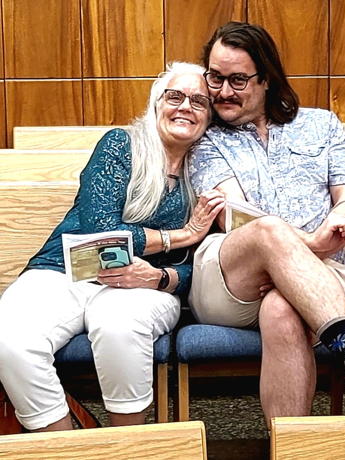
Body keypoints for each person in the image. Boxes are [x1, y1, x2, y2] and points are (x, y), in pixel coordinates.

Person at [188, 21, 345, 426]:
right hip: (231, 275)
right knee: (267, 231)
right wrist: (316, 244)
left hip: (318, 277)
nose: (222, 91)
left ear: (266, 79)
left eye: (237, 80)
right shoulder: (206, 136)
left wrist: (340, 217)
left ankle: (288, 449)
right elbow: (234, 214)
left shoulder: (322, 124)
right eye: (215, 77)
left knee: (283, 310)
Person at [0, 61, 225, 432]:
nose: (185, 106)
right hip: (66, 271)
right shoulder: (122, 145)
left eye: (199, 101)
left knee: (119, 324)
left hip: (147, 285)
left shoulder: (211, 172)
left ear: (209, 117)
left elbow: (207, 264)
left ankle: (127, 444)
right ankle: (68, 449)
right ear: (156, 105)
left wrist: (162, 276)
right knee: (9, 339)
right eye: (175, 96)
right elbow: (98, 231)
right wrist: (181, 236)